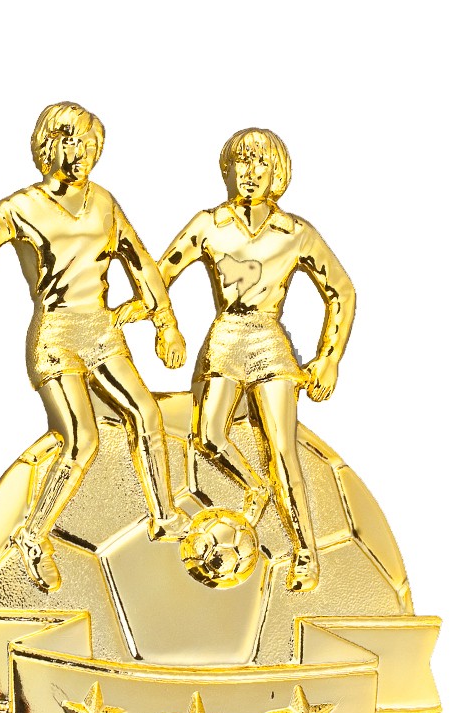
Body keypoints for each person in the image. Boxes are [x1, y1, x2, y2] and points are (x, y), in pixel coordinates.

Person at [0, 101, 190, 593]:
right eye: (69, 141)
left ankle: (163, 515)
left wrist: (165, 324)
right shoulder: (21, 207)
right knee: (82, 439)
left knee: (147, 413)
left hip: (103, 330)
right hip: (57, 334)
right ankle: (32, 536)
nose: (81, 152)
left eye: (88, 143)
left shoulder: (104, 203)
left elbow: (140, 262)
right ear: (48, 147)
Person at [143, 127, 356, 592]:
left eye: (262, 163)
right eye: (243, 161)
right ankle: (254, 486)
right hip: (226, 337)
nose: (251, 172)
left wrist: (329, 357)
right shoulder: (209, 224)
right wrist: (158, 321)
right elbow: (158, 276)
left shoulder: (296, 232)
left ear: (278, 173)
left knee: (283, 449)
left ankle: (305, 552)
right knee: (209, 435)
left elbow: (341, 290)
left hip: (269, 340)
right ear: (228, 169)